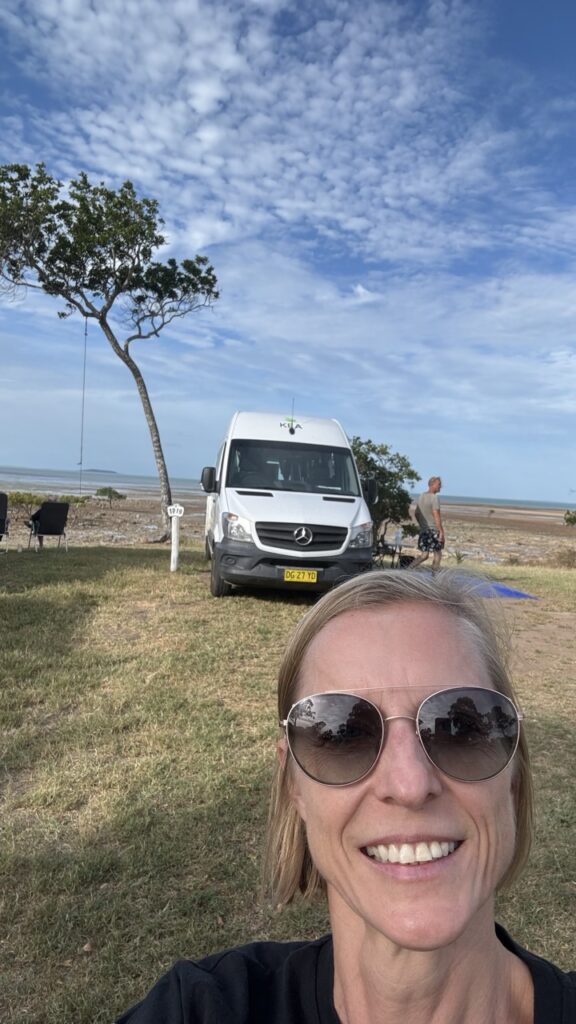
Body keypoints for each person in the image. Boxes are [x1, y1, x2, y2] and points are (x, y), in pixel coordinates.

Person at [116, 571, 575, 1023]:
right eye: (343, 735)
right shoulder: (199, 1008)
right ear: (294, 783)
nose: (410, 786)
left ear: (513, 772)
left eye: (460, 729)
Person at [411, 476, 444, 569]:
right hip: (433, 530)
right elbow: (436, 515)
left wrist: (422, 525)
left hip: (424, 530)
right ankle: (435, 577)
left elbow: (417, 513)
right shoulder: (434, 498)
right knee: (437, 554)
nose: (440, 486)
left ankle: (408, 569)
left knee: (424, 555)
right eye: (439, 484)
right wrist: (441, 532)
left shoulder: (421, 496)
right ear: (432, 485)